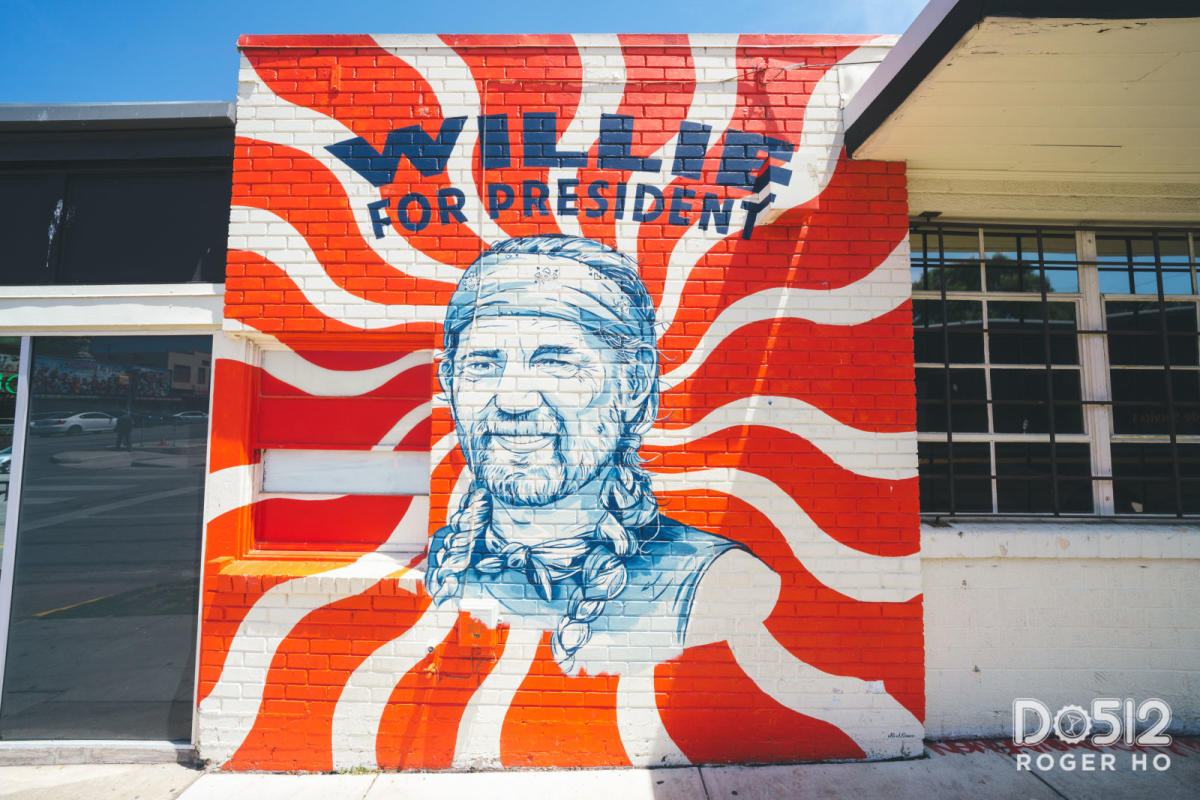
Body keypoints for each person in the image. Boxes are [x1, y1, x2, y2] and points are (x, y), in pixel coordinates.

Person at [425, 234, 774, 674]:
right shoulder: (439, 558)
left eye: (556, 362)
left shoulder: (715, 582)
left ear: (635, 383)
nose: (513, 401)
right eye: (482, 365)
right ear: (449, 381)